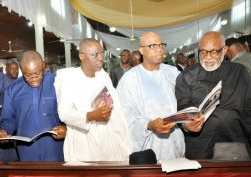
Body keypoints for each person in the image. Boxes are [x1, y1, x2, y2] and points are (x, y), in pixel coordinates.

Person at [175, 31, 251, 159]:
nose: (207, 58)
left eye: (214, 52)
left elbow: (249, 111)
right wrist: (186, 125)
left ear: (225, 50)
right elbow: (182, 109)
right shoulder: (186, 76)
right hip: (201, 147)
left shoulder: (239, 72)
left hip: (235, 144)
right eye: (202, 52)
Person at [54, 38, 132, 162]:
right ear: (82, 56)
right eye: (95, 54)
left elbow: (116, 108)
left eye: (102, 53)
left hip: (108, 140)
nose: (101, 58)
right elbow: (64, 113)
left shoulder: (104, 76)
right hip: (85, 143)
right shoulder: (68, 78)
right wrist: (90, 115)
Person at [117, 32, 185, 161]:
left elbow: (185, 103)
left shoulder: (173, 73)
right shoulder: (129, 79)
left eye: (161, 45)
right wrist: (148, 124)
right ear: (142, 50)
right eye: (153, 46)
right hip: (147, 146)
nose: (159, 49)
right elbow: (124, 114)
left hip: (174, 142)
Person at [0, 50, 65, 162]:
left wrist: (67, 129)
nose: (33, 78)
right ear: (21, 70)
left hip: (54, 147)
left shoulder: (58, 83)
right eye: (27, 75)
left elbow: (71, 113)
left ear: (43, 67)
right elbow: (9, 119)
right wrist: (5, 131)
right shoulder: (12, 89)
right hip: (26, 151)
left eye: (37, 73)